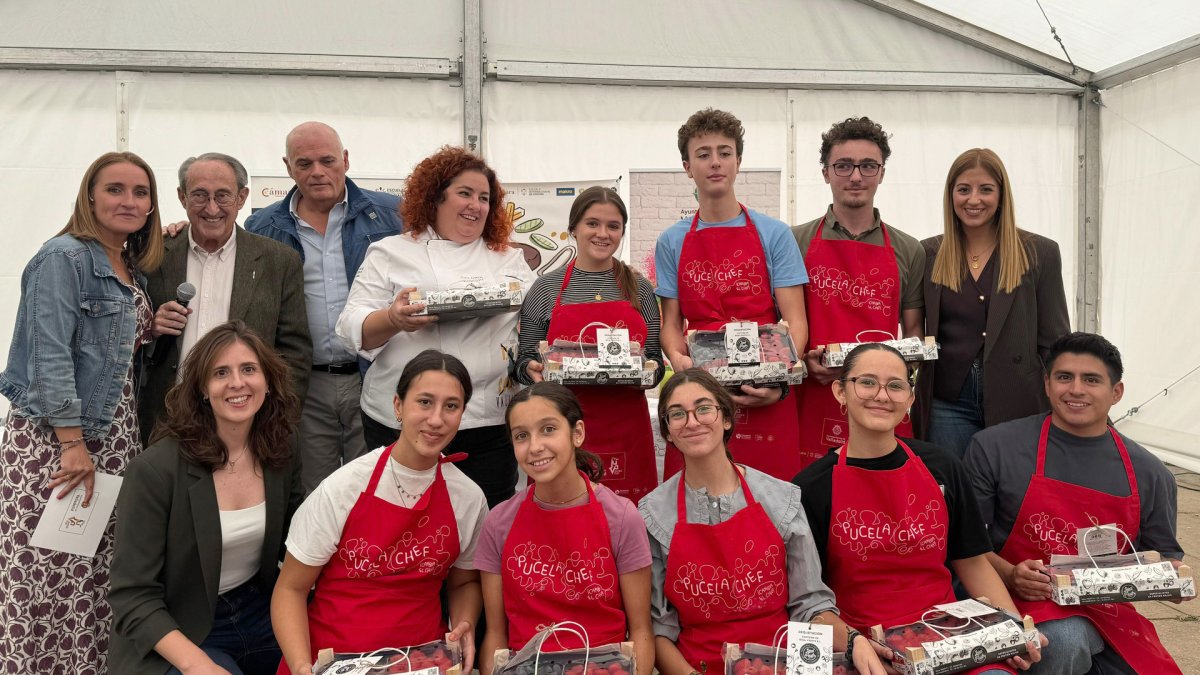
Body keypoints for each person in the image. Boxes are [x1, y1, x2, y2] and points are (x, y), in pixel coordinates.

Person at [0, 151, 163, 673]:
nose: (129, 201)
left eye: (141, 193)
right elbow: (49, 353)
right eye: (115, 189)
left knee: (91, 579)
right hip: (58, 441)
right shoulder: (64, 257)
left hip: (111, 441)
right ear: (90, 196)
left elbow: (107, 349)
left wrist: (151, 328)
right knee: (44, 579)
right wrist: (72, 445)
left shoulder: (126, 263)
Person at [793, 343, 1043, 674]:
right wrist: (854, 644)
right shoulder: (811, 487)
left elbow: (972, 562)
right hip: (867, 647)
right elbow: (809, 602)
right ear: (840, 390)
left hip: (951, 637)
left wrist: (1011, 628)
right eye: (866, 382)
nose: (882, 395)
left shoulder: (942, 465)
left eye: (896, 385)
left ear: (910, 399)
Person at [967, 332, 1188, 674]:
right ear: (1047, 383)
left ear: (1117, 393)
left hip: (1107, 612)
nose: (1076, 390)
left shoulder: (1150, 473)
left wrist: (1175, 583)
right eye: (1064, 377)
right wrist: (1010, 574)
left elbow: (1166, 562)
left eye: (1092, 380)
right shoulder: (994, 447)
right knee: (1065, 639)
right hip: (1016, 600)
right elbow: (966, 546)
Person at [639, 369, 884, 675]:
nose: (692, 421)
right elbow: (660, 630)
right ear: (666, 431)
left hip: (781, 664)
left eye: (704, 408)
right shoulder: (652, 514)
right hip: (698, 668)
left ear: (726, 418)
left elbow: (810, 605)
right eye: (677, 414)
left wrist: (854, 641)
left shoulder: (781, 499)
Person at [336, 146, 535, 507]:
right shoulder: (391, 252)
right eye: (465, 193)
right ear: (435, 197)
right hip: (404, 423)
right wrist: (394, 319)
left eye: (484, 197)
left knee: (485, 523)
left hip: (490, 419)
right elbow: (351, 326)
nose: (476, 205)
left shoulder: (509, 257)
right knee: (405, 520)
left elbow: (537, 318)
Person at [272, 350, 488, 675]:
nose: (436, 419)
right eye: (424, 402)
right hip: (331, 662)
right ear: (398, 406)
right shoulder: (344, 488)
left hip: (421, 664)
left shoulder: (468, 498)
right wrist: (302, 665)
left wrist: (465, 623)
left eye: (451, 406)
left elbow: (463, 583)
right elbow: (290, 588)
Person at [110, 321, 304, 674]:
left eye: (249, 369)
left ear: (267, 380)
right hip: (182, 626)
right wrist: (199, 665)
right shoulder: (155, 470)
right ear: (201, 388)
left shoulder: (281, 447)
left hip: (259, 610)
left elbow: (297, 544)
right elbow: (132, 596)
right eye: (220, 373)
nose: (237, 383)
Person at [246, 122, 405, 493]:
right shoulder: (262, 225)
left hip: (377, 372)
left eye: (327, 160)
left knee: (377, 486)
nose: (317, 172)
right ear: (288, 167)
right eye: (304, 164)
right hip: (307, 382)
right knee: (317, 491)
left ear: (345, 160)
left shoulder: (392, 215)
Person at [653, 108, 810, 481]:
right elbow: (671, 323)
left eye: (724, 152)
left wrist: (777, 381)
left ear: (738, 161)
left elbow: (796, 321)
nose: (715, 162)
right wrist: (678, 360)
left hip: (765, 387)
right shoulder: (672, 241)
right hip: (701, 395)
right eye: (703, 153)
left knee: (772, 508)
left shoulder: (774, 234)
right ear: (687, 166)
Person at [477, 382, 653, 674]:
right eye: (522, 435)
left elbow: (641, 631)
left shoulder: (621, 517)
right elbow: (496, 635)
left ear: (578, 433)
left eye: (548, 429)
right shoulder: (498, 522)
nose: (535, 447)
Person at [141, 152, 311, 444]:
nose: (211, 208)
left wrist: (277, 420)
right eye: (199, 195)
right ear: (182, 198)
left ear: (242, 198)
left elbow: (295, 352)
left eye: (223, 196)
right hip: (166, 420)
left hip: (247, 422)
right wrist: (152, 328)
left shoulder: (278, 261)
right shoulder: (152, 255)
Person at [791, 117, 925, 469]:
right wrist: (803, 361)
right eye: (843, 165)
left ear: (881, 173)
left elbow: (912, 338)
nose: (855, 176)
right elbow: (782, 326)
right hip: (813, 396)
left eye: (868, 166)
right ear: (825, 172)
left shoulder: (909, 249)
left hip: (881, 400)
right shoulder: (795, 241)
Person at [918, 148, 1069, 457]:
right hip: (947, 402)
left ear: (1001, 195)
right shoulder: (927, 254)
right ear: (951, 195)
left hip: (1017, 396)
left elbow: (1055, 340)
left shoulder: (1040, 252)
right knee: (958, 492)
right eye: (964, 189)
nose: (974, 200)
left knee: (1013, 492)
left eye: (986, 189)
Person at [515, 187, 661, 503]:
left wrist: (647, 371)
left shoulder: (641, 290)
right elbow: (523, 359)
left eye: (613, 226)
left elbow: (654, 361)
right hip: (559, 428)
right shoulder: (546, 288)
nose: (602, 233)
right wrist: (532, 369)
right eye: (592, 223)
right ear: (574, 229)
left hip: (626, 426)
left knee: (626, 524)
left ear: (622, 231)